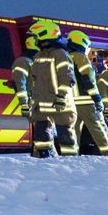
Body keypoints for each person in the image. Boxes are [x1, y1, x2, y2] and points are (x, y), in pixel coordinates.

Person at [25, 19, 77, 157]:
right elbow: (34, 80)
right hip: (42, 106)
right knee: (41, 141)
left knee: (66, 141)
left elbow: (67, 78)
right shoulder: (38, 56)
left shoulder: (60, 54)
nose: (34, 39)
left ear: (44, 34)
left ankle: (73, 168)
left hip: (60, 105)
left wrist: (61, 97)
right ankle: (45, 164)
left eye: (36, 36)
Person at [66, 30, 108, 156]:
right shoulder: (80, 57)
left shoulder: (64, 57)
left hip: (71, 104)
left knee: (72, 132)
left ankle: (70, 157)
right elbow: (87, 79)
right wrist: (97, 98)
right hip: (87, 102)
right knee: (99, 129)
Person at [10, 37, 38, 143]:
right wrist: (24, 104)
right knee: (39, 132)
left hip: (38, 101)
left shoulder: (33, 60)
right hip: (31, 102)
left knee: (44, 132)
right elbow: (20, 84)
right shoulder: (22, 61)